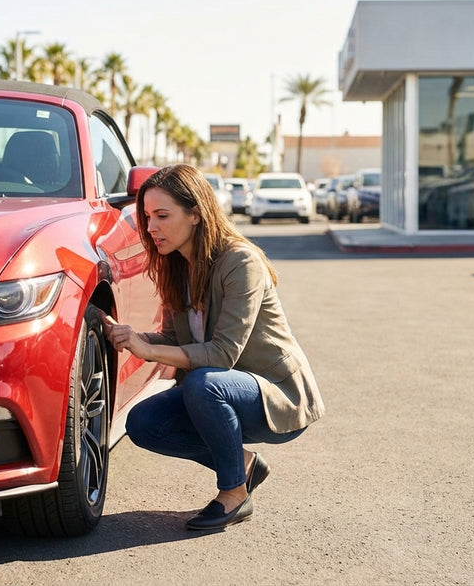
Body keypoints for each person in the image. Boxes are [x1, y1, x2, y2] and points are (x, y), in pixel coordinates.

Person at [102, 163, 324, 531]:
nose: (151, 227)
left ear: (195, 214)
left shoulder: (240, 261)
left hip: (275, 394)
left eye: (162, 215)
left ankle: (234, 493)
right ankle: (243, 463)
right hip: (216, 390)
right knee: (143, 423)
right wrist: (133, 337)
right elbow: (176, 341)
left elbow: (222, 355)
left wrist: (149, 351)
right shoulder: (176, 267)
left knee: (204, 382)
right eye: (146, 217)